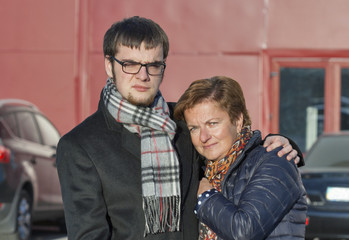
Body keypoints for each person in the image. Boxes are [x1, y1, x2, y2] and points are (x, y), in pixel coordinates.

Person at [56, 16, 303, 240]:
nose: (143, 76)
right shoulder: (80, 146)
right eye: (130, 64)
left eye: (153, 65)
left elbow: (234, 146)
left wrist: (280, 141)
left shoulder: (185, 126)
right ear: (109, 66)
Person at [173, 76, 307, 240]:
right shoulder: (201, 171)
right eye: (194, 128)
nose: (203, 137)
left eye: (212, 123)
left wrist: (207, 197)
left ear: (237, 121)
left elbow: (244, 232)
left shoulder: (274, 161)